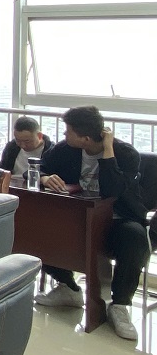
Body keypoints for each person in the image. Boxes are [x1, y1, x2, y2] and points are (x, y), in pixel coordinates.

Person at [35, 106, 147, 342]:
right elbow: (39, 167)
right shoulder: (65, 150)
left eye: (68, 131)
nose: (64, 135)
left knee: (135, 237)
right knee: (39, 227)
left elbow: (111, 190)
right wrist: (44, 177)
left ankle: (120, 305)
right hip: (79, 216)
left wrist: (108, 151)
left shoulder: (126, 154)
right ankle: (69, 288)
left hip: (118, 219)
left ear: (85, 138)